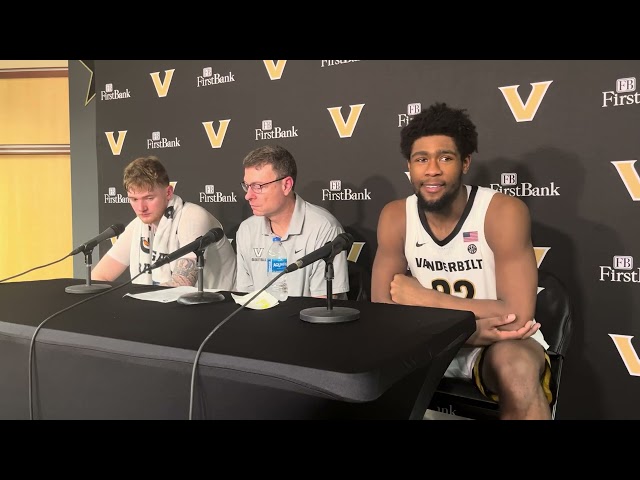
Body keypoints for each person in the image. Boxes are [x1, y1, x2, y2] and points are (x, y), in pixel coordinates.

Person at [371, 102, 552, 420]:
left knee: (518, 371)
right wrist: (469, 328)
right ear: (410, 166)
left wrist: (425, 299)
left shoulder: (502, 211)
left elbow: (517, 315)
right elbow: (384, 313)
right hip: (425, 346)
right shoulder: (396, 215)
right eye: (421, 159)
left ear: (465, 162)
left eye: (445, 157)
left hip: (495, 344)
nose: (432, 170)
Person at [92, 156, 237, 289]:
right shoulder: (138, 226)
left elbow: (181, 284)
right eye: (134, 199)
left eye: (149, 198)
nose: (141, 208)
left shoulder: (193, 217)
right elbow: (99, 276)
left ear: (168, 192)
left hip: (219, 308)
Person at [235, 144, 349, 298]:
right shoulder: (246, 230)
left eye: (258, 186)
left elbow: (322, 307)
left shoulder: (324, 228)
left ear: (286, 185)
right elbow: (245, 296)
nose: (248, 196)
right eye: (247, 186)